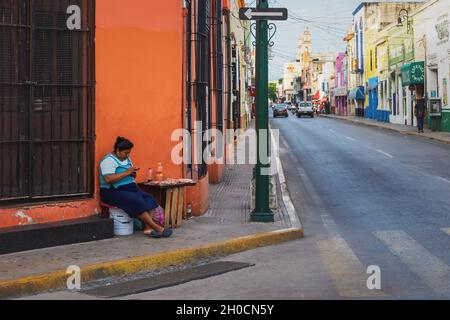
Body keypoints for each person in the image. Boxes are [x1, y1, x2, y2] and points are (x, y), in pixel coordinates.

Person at [100, 137, 173, 238]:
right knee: (136, 201)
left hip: (130, 188)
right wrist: (126, 172)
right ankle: (158, 228)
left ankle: (148, 229)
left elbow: (128, 174)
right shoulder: (108, 160)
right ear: (117, 150)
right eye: (125, 153)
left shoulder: (127, 159)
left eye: (129, 153)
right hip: (112, 191)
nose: (127, 155)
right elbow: (108, 179)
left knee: (149, 200)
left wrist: (132, 174)